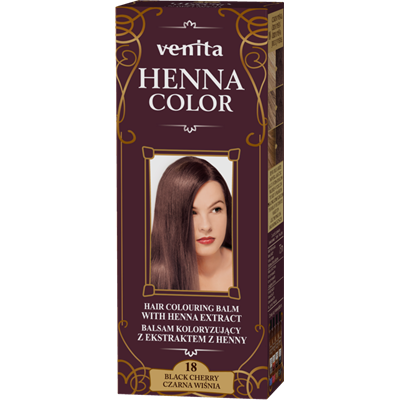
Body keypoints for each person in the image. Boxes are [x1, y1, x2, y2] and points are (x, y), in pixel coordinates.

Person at [151, 156, 232, 291]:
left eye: (216, 209)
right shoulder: (150, 278)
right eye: (192, 213)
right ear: (170, 219)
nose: (206, 226)